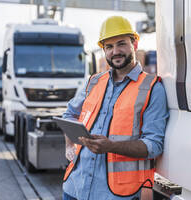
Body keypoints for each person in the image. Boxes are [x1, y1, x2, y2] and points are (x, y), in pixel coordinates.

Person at [62, 16, 169, 200]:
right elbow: (69, 114)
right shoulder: (94, 82)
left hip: (117, 194)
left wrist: (111, 146)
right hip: (74, 188)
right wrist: (69, 145)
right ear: (104, 50)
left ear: (134, 44)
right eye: (109, 47)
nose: (115, 51)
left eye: (121, 44)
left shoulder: (152, 88)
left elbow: (154, 145)